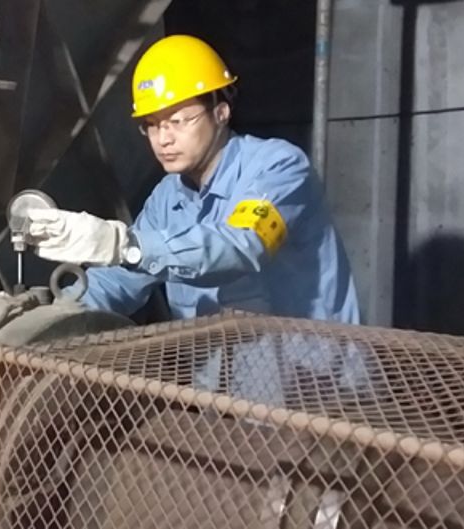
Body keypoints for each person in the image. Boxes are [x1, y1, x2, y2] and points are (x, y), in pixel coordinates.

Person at [26, 34, 360, 325]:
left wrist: (124, 244)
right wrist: (50, 317)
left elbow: (240, 246)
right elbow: (120, 280)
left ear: (221, 112)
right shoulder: (167, 199)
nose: (163, 139)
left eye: (178, 121)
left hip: (308, 374)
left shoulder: (279, 168)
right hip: (216, 377)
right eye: (152, 125)